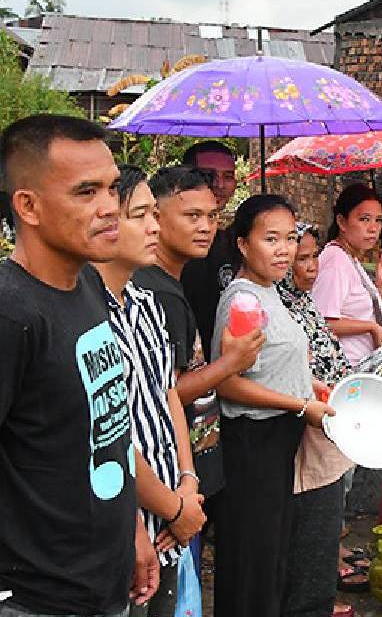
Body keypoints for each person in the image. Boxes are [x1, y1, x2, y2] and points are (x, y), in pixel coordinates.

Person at [0, 115, 145, 614]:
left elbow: (109, 426)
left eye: (112, 188)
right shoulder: (11, 312)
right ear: (29, 206)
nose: (111, 208)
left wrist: (135, 529)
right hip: (38, 600)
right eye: (86, 192)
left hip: (106, 582)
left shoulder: (87, 284)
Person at [211, 194, 335, 617]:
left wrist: (315, 388)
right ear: (243, 244)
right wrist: (301, 405)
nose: (283, 250)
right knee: (252, 562)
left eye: (289, 238)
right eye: (270, 239)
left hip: (278, 440)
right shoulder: (242, 299)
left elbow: (273, 364)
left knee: (271, 558)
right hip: (253, 443)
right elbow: (227, 382)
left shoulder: (270, 292)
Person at [96, 165, 205, 617]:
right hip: (129, 525)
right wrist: (174, 508)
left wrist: (187, 481)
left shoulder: (146, 305)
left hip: (170, 514)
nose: (154, 226)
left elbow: (167, 396)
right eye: (140, 215)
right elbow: (106, 433)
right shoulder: (87, 318)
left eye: (153, 215)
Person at [134, 167, 264, 529]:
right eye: (192, 216)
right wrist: (230, 363)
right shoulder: (156, 293)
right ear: (155, 218)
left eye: (211, 216)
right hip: (171, 480)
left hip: (186, 475)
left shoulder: (169, 283)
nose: (206, 227)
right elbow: (164, 393)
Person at [278, 222, 357, 617]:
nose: (311, 267)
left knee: (326, 522)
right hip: (307, 427)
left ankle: (319, 597)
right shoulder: (277, 306)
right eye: (301, 259)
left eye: (313, 257)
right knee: (311, 527)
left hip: (330, 418)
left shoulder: (303, 300)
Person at [313, 183, 382, 367]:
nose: (373, 228)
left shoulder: (350, 257)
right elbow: (322, 322)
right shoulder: (335, 260)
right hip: (345, 368)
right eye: (365, 219)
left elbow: (359, 311)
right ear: (342, 222)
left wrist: (379, 288)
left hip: (362, 366)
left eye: (378, 220)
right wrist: (371, 328)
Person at [179, 141, 239, 357]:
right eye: (208, 175)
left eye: (228, 176)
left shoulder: (231, 242)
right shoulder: (172, 246)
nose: (219, 184)